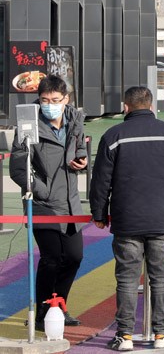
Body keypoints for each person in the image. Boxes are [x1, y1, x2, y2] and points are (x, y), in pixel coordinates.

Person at [89, 86, 164, 351]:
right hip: (161, 218)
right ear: (151, 105)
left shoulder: (113, 136)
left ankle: (124, 336)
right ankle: (162, 335)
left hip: (127, 220)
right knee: (161, 278)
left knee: (126, 278)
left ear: (126, 106)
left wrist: (99, 213)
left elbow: (101, 180)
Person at [9, 75, 88, 331]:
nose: (49, 105)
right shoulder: (28, 125)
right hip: (43, 203)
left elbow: (80, 150)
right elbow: (18, 169)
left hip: (70, 202)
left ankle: (59, 305)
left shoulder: (75, 120)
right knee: (52, 257)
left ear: (66, 99)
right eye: (44, 100)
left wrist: (82, 161)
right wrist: (42, 190)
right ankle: (44, 310)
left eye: (55, 100)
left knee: (74, 257)